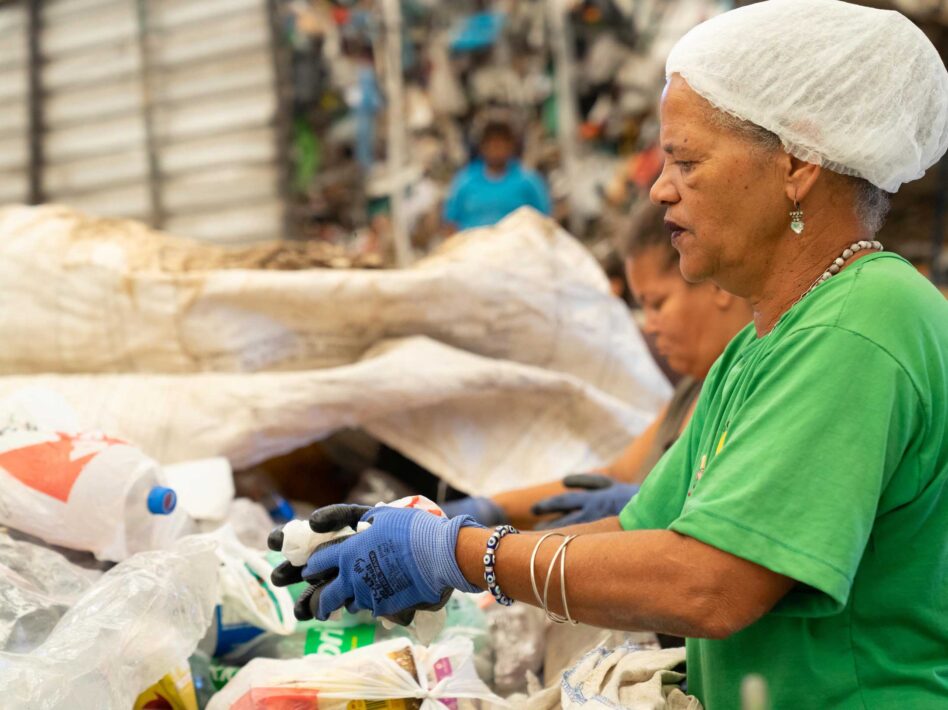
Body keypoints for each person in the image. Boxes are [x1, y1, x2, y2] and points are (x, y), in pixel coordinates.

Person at [275, 2, 948, 707]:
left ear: (798, 162)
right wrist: (454, 537)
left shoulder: (858, 327)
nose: (659, 188)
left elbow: (708, 584)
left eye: (687, 161)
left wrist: (464, 554)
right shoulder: (764, 343)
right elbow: (638, 533)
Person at [442, 206, 752, 530]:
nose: (650, 324)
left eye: (658, 303)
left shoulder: (750, 394)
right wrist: (490, 509)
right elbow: (616, 476)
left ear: (715, 284)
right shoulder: (693, 389)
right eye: (642, 306)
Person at [441, 115, 551, 233]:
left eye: (502, 142)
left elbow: (545, 221)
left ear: (511, 146)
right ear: (482, 146)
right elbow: (450, 223)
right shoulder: (464, 180)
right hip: (474, 247)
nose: (496, 147)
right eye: (491, 142)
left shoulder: (529, 180)